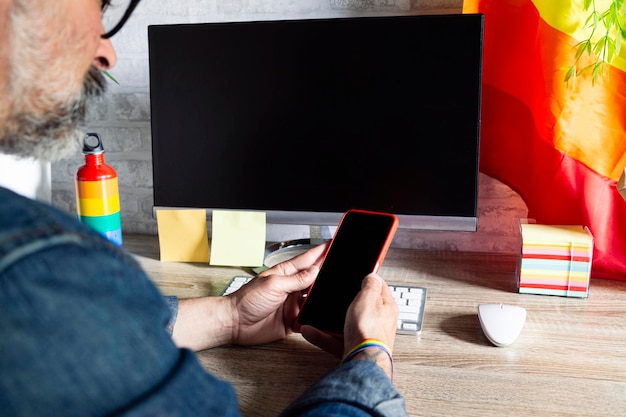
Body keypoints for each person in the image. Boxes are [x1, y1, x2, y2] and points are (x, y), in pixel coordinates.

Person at [0, 1, 408, 416]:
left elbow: (86, 338)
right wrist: (371, 355)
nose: (108, 55)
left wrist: (230, 316)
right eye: (96, 8)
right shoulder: (33, 268)